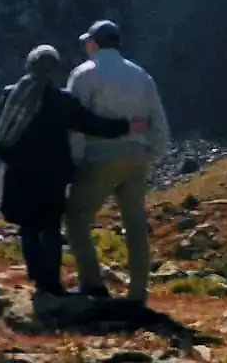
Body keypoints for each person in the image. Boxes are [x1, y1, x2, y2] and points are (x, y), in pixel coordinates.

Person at [0, 44, 145, 296]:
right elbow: (93, 125)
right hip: (52, 175)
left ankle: (37, 278)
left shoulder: (10, 96)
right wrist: (127, 126)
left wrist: (13, 160)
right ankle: (52, 282)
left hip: (20, 173)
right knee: (51, 227)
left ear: (29, 66)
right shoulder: (62, 101)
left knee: (28, 226)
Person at [62, 20, 171, 303]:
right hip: (136, 155)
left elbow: (74, 122)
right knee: (135, 224)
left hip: (100, 155)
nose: (86, 45)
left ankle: (92, 285)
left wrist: (73, 160)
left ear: (95, 43)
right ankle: (138, 293)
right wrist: (153, 152)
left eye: (88, 41)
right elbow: (157, 118)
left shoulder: (84, 75)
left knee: (76, 219)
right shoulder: (140, 75)